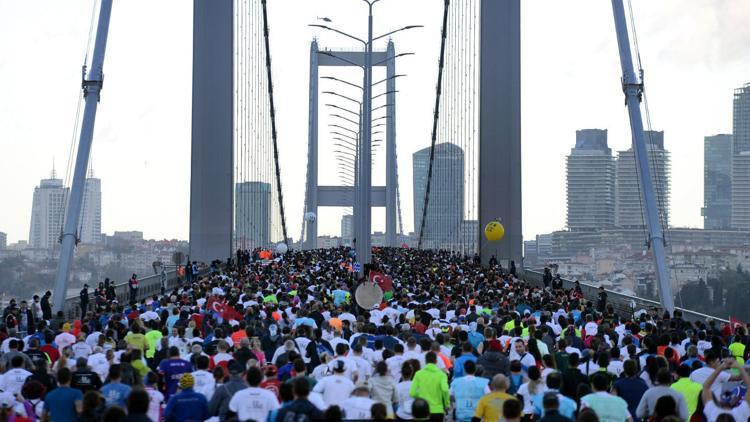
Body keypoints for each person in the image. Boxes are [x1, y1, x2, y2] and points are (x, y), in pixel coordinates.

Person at [410, 351, 450, 421]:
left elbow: (412, 393)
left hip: (422, 410)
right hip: (437, 410)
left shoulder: (418, 374)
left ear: (425, 361)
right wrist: (447, 404)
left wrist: (421, 395)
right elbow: (445, 389)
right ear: (436, 361)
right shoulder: (442, 375)